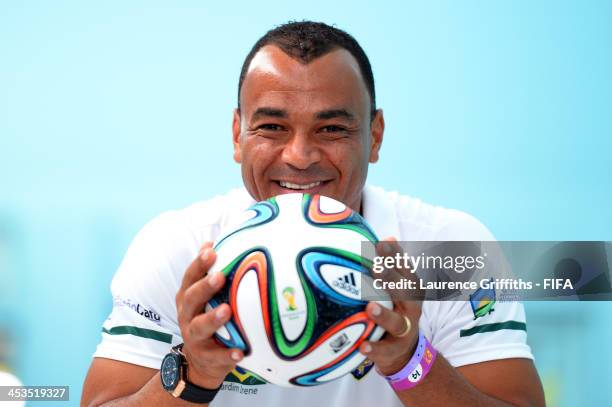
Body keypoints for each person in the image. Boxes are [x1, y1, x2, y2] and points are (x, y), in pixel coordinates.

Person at [81, 21, 545, 406]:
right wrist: (193, 374)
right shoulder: (179, 248)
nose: (300, 155)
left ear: (375, 135)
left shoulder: (447, 247)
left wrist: (410, 361)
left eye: (331, 127)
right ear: (238, 134)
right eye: (272, 127)